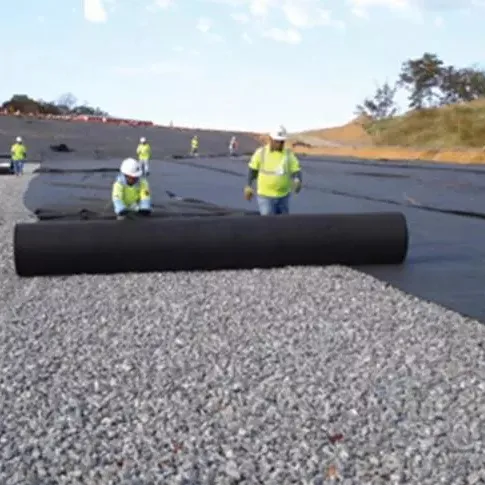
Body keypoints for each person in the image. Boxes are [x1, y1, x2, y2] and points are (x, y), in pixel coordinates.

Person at [244, 125, 302, 215]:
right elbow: (252, 170)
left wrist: (297, 180)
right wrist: (249, 186)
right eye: (277, 141)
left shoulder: (288, 154)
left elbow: (296, 169)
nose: (279, 144)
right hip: (266, 197)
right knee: (268, 224)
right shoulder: (261, 153)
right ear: (270, 139)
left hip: (283, 196)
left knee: (283, 225)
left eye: (282, 142)